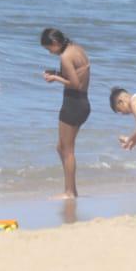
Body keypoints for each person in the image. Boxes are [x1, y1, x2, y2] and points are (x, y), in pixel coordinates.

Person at [41, 27, 91, 199]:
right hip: (82, 102)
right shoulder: (77, 49)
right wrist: (56, 73)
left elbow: (75, 84)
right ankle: (71, 190)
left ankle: (70, 192)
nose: (50, 52)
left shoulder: (65, 56)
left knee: (67, 150)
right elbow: (77, 75)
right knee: (61, 148)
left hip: (73, 104)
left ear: (55, 42)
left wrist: (55, 78)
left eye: (49, 48)